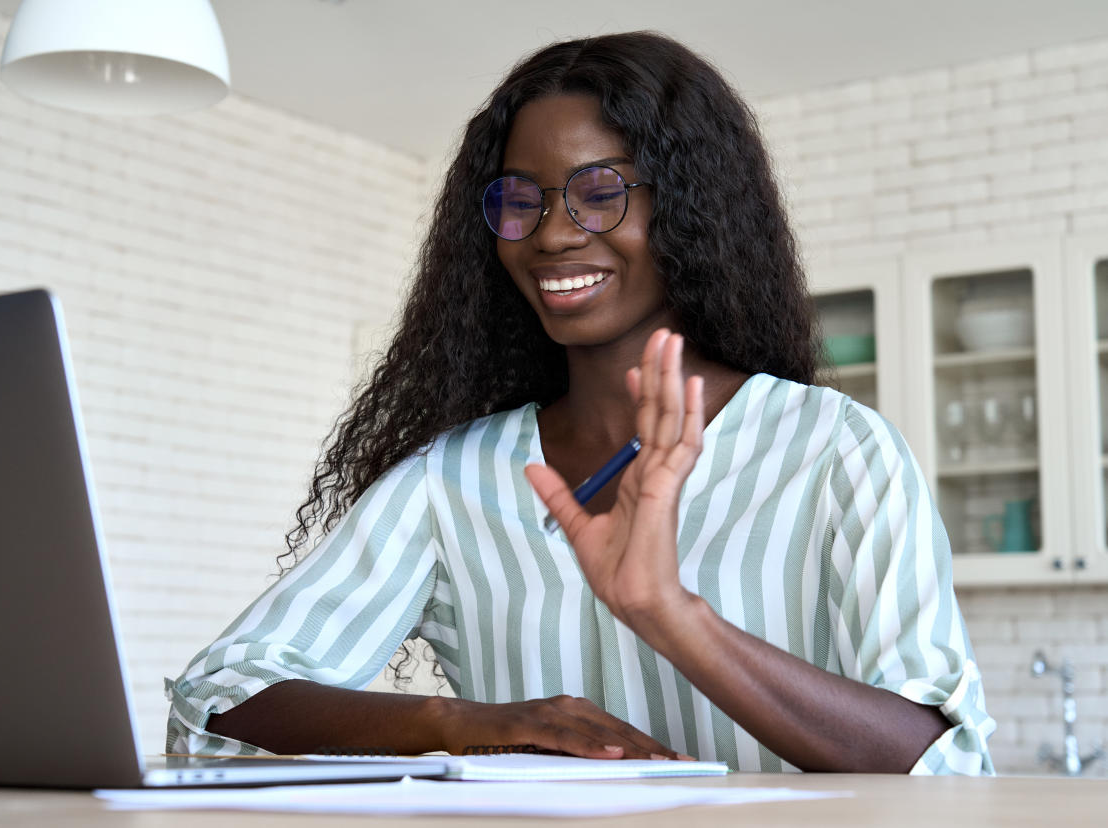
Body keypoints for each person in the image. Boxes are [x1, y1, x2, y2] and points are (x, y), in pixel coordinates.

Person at [165, 31, 995, 774]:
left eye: (600, 191)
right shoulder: (454, 480)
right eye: (521, 200)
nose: (555, 233)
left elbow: (944, 765)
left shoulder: (833, 449)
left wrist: (669, 614)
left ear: (687, 206)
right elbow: (218, 700)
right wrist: (466, 725)